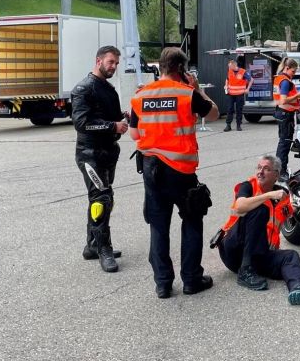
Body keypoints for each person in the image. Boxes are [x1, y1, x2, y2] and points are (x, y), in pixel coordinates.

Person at [129, 47, 220, 297]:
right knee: (191, 219)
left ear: (160, 67)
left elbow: (134, 133)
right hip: (180, 170)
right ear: (181, 69)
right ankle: (191, 279)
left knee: (158, 226)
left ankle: (163, 284)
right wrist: (198, 88)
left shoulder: (141, 96)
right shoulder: (187, 94)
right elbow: (213, 115)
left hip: (151, 169)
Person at [214, 155, 300, 305]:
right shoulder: (248, 186)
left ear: (276, 175)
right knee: (260, 210)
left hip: (258, 253)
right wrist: (268, 195)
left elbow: (295, 211)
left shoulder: (281, 195)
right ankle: (245, 272)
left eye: (266, 169)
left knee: (290, 256)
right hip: (232, 250)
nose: (260, 172)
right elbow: (240, 206)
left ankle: (299, 288)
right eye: (259, 167)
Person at [71, 46, 129, 273]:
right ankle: (104, 248)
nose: (114, 66)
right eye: (111, 62)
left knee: (105, 197)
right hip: (89, 154)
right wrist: (112, 126)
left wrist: (123, 117)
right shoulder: (83, 89)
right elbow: (82, 123)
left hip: (108, 152)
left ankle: (92, 245)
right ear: (98, 61)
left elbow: (106, 116)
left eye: (116, 63)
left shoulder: (106, 87)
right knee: (101, 199)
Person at [272, 58, 300, 180]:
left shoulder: (279, 78)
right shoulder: (285, 82)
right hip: (285, 115)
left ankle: (279, 170)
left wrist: (297, 103)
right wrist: (298, 95)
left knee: (283, 143)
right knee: (284, 144)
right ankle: (281, 172)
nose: (294, 74)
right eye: (293, 71)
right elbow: (284, 100)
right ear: (287, 68)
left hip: (281, 112)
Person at [223, 58, 252, 132]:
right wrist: (226, 85)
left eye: (230, 66)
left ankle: (238, 125)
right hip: (230, 94)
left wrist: (248, 89)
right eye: (228, 66)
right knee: (230, 109)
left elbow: (251, 80)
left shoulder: (243, 72)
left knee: (239, 110)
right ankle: (228, 125)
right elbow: (227, 79)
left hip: (240, 94)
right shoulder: (230, 71)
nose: (229, 68)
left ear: (234, 65)